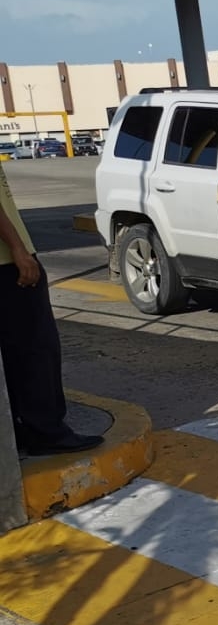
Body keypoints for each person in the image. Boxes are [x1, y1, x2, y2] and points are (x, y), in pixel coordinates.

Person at [0, 162, 102, 455]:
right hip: (7, 262)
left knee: (13, 352)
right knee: (35, 347)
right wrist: (18, 249)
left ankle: (20, 429)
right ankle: (46, 431)